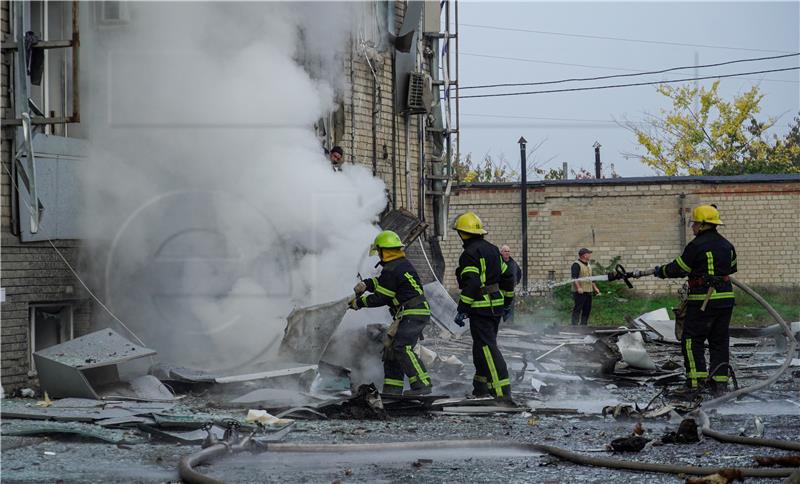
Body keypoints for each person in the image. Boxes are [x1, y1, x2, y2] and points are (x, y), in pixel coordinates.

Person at [653, 205, 736, 396]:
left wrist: (661, 271)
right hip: (726, 300)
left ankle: (695, 383)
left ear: (703, 224)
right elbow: (730, 269)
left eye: (695, 223)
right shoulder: (727, 245)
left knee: (692, 340)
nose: (693, 227)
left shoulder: (696, 245)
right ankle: (719, 384)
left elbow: (679, 268)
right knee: (719, 341)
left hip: (703, 300)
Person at [348, 230, 433, 396]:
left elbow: (381, 297)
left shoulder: (393, 269)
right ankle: (392, 390)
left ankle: (423, 386)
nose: (378, 255)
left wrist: (358, 303)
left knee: (402, 347)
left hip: (413, 313)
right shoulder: (399, 265)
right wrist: (366, 284)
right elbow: (383, 283)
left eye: (379, 252)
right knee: (391, 351)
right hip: (409, 313)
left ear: (384, 251)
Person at [452, 211, 516, 402]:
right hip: (495, 307)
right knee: (480, 347)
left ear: (462, 233)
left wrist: (462, 308)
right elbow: (508, 277)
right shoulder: (493, 249)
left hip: (481, 307)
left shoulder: (469, 254)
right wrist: (507, 302)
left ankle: (501, 392)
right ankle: (480, 387)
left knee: (487, 348)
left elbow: (471, 284)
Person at [571, 248, 601, 325]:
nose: (590, 255)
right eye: (589, 253)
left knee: (587, 309)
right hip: (580, 292)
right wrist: (578, 288)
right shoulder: (576, 264)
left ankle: (583, 325)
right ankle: (574, 326)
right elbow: (574, 278)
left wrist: (595, 288)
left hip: (588, 291)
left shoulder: (588, 265)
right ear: (584, 255)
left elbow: (591, 278)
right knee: (577, 309)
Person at [499, 245, 522, 323]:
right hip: (499, 291)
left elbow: (519, 273)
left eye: (508, 251)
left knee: (509, 310)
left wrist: (516, 282)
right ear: (501, 252)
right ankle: (499, 324)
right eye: (505, 251)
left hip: (509, 292)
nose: (507, 253)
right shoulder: (498, 262)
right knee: (499, 309)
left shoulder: (513, 263)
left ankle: (509, 324)